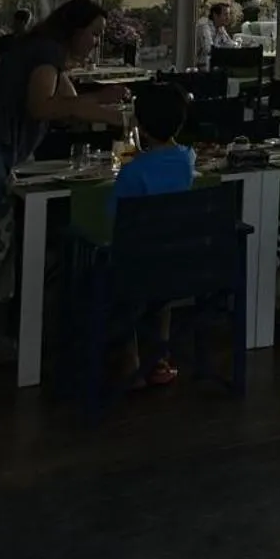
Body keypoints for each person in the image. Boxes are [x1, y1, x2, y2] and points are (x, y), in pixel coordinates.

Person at [0, 0, 126, 363]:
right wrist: (113, 112)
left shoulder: (45, 52)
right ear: (75, 29)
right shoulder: (47, 52)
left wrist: (106, 104)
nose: (96, 42)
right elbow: (43, 106)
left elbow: (69, 103)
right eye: (94, 34)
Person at [110, 81, 197, 389]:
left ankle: (130, 360)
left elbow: (115, 218)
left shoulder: (133, 171)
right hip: (178, 262)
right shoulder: (188, 159)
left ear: (141, 126)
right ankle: (160, 355)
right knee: (162, 290)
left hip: (137, 266)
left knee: (118, 279)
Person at [194, 2, 236, 71]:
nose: (228, 18)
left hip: (213, 65)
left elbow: (230, 44)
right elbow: (209, 49)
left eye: (229, 14)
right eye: (225, 14)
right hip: (199, 67)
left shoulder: (220, 27)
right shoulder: (204, 26)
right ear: (215, 15)